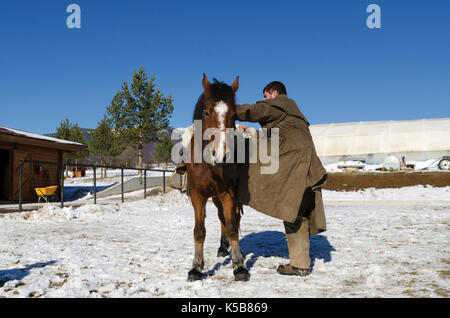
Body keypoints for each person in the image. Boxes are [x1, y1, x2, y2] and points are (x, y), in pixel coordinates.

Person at [235, 81, 327, 276]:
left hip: (296, 166)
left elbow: (254, 111)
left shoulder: (281, 104)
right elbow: (277, 136)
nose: (264, 100)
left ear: (275, 94)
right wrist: (250, 131)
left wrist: (224, 108)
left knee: (245, 161)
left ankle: (237, 189)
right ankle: (300, 265)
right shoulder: (292, 112)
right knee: (296, 215)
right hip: (308, 168)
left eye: (266, 96)